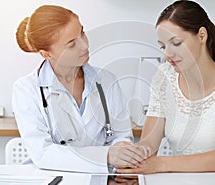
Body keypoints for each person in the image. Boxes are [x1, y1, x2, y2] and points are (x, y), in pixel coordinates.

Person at [118, 0, 215, 174]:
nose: (167, 54)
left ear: (202, 36)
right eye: (163, 46)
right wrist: (134, 155)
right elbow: (149, 143)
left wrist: (160, 164)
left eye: (176, 43)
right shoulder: (164, 76)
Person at [12, 5, 147, 173]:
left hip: (103, 177)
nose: (84, 45)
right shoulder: (26, 89)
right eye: (71, 44)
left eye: (82, 33)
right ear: (46, 54)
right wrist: (106, 155)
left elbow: (121, 135)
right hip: (52, 177)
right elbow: (43, 153)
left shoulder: (106, 81)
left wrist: (121, 150)